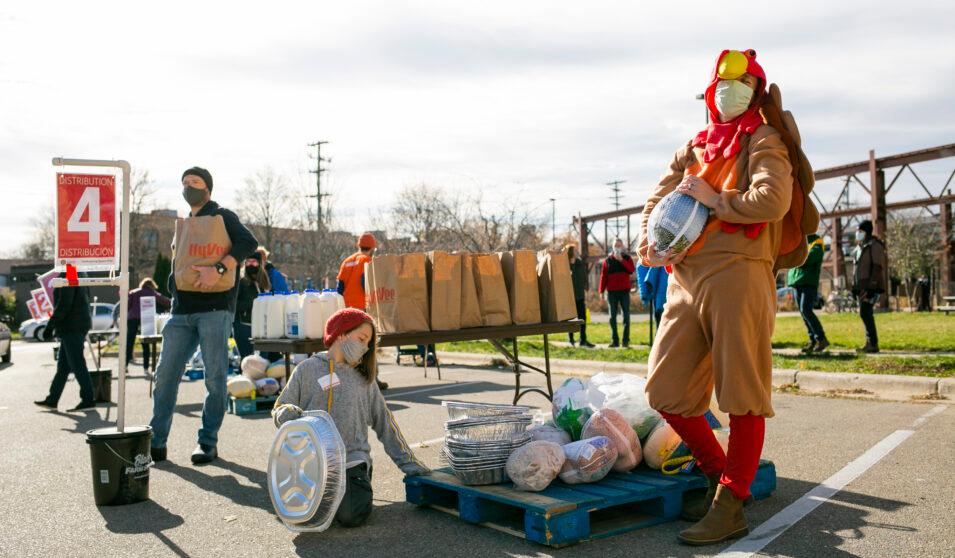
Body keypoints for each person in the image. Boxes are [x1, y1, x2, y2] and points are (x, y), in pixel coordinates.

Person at [639, 49, 817, 545]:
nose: (725, 93)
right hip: (685, 275)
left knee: (742, 393)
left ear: (755, 93)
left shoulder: (764, 140)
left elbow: (773, 200)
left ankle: (730, 501)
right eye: (718, 86)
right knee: (664, 390)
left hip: (739, 271)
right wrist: (647, 242)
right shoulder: (695, 146)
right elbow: (658, 196)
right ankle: (722, 476)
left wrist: (714, 199)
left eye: (737, 86)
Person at [272, 308, 430, 527]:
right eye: (362, 339)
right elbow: (280, 406)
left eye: (368, 344)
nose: (364, 348)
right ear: (342, 333)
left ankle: (357, 487)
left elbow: (386, 424)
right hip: (312, 464)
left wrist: (410, 465)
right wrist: (285, 413)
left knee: (350, 516)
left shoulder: (364, 380)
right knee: (303, 516)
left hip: (351, 462)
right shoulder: (306, 369)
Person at [149, 167, 258, 465]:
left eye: (195, 183)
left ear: (208, 188)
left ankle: (207, 442)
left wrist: (220, 269)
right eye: (184, 184)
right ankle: (155, 442)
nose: (189, 187)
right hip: (181, 311)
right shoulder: (185, 224)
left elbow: (249, 243)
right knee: (164, 378)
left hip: (215, 309)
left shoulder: (222, 216)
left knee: (215, 379)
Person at [34, 275, 96, 411]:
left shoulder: (69, 273)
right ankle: (52, 399)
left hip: (72, 327)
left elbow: (64, 304)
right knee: (63, 367)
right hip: (75, 325)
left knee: (77, 364)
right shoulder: (77, 273)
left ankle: (88, 399)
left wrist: (50, 326)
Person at [337, 233, 389, 390]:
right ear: (372, 248)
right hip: (362, 310)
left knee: (350, 346)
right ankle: (372, 379)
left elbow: (339, 288)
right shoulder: (367, 261)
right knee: (368, 344)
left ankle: (351, 379)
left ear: (358, 245)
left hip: (346, 310)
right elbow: (364, 283)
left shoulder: (347, 261)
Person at [787, 234, 829, 353]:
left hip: (808, 282)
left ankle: (821, 338)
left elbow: (807, 258)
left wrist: (794, 256)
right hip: (797, 281)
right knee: (803, 312)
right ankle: (813, 340)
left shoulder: (816, 242)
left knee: (806, 310)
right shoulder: (800, 240)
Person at [853, 220, 886, 353]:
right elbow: (857, 269)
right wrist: (854, 287)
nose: (858, 233)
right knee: (865, 313)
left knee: (865, 312)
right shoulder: (861, 246)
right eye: (857, 231)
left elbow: (877, 267)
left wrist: (871, 287)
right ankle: (870, 343)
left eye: (860, 231)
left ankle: (872, 343)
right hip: (861, 286)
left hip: (870, 286)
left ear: (867, 231)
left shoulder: (874, 245)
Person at [126, 278, 171, 369]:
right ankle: (146, 367)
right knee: (145, 342)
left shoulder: (133, 293)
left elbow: (127, 305)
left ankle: (125, 365)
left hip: (132, 318)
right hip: (145, 319)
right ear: (152, 285)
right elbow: (165, 301)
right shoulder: (151, 293)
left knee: (129, 342)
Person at [598, 238, 635, 348]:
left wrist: (621, 260)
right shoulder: (607, 260)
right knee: (612, 317)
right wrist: (601, 290)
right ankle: (615, 341)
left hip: (624, 291)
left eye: (619, 245)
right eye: (615, 245)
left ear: (622, 247)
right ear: (612, 247)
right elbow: (603, 276)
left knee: (626, 317)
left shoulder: (627, 258)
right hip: (612, 292)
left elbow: (631, 270)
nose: (617, 247)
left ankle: (625, 341)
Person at [234, 252, 271, 358]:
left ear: (259, 264)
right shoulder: (241, 281)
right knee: (247, 360)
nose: (250, 264)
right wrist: (252, 303)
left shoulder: (264, 281)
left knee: (263, 359)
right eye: (248, 262)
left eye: (253, 262)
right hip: (244, 325)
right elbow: (233, 303)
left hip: (262, 326)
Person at [567, 244, 594, 347]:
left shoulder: (579, 263)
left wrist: (586, 286)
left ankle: (583, 340)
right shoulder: (565, 265)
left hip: (580, 296)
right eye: (575, 250)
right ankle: (571, 340)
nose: (577, 252)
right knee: (571, 319)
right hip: (570, 297)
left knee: (583, 318)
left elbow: (583, 277)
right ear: (571, 252)